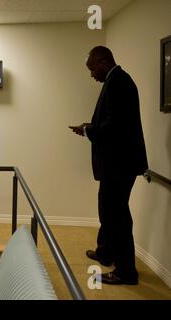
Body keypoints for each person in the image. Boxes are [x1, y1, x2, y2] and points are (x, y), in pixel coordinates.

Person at [69, 46, 148, 285]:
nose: (91, 74)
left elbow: (116, 125)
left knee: (117, 215)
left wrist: (88, 130)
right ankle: (106, 252)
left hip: (120, 164)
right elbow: (111, 120)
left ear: (104, 62)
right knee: (107, 209)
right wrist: (89, 127)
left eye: (92, 68)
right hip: (116, 163)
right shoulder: (115, 81)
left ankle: (126, 271)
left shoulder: (120, 82)